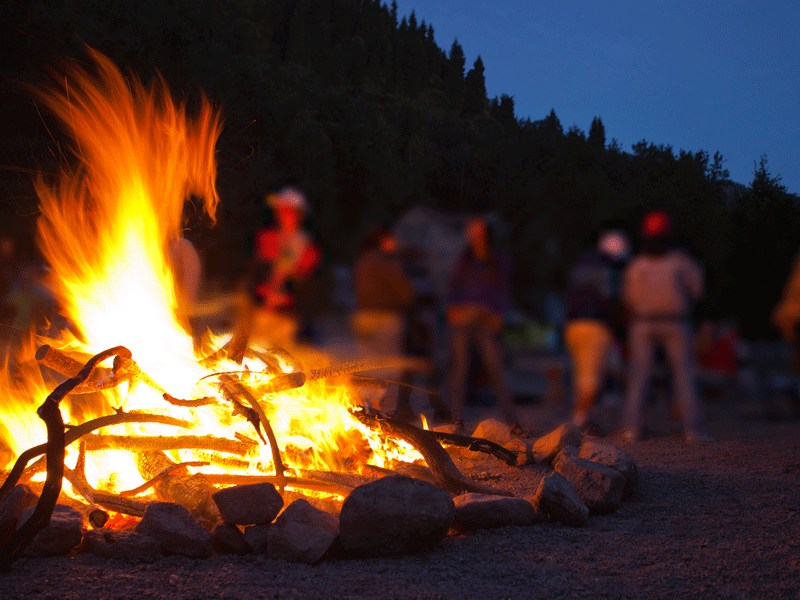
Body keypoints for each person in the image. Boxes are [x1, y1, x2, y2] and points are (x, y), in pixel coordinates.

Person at [622, 211, 714, 443]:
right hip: (676, 321)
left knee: (640, 376)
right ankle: (693, 432)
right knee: (684, 375)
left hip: (644, 323)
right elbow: (699, 291)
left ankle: (632, 430)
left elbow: (629, 298)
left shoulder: (637, 264)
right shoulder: (681, 261)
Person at [445, 216, 528, 437]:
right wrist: (452, 307)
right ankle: (458, 420)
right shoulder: (465, 259)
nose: (477, 236)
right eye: (473, 232)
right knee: (460, 368)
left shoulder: (499, 259)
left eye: (480, 232)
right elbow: (454, 286)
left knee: (495, 367)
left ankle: (513, 421)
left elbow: (503, 288)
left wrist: (499, 312)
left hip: (486, 316)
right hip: (463, 316)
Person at [564, 230, 629, 436]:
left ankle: (584, 418)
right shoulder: (606, 269)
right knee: (591, 379)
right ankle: (578, 422)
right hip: (595, 325)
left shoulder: (580, 266)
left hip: (573, 325)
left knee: (582, 375)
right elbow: (608, 300)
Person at [351, 225, 416, 416]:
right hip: (386, 317)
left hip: (363, 317)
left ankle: (367, 408)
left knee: (367, 365)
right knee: (389, 368)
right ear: (383, 241)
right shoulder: (390, 262)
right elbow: (405, 292)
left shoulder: (362, 261)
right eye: (392, 239)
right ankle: (385, 413)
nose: (396, 243)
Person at [248, 187, 320, 348]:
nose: (283, 214)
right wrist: (261, 292)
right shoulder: (267, 238)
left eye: (288, 211)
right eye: (280, 210)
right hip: (261, 313)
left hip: (288, 318)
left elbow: (308, 285)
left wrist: (288, 297)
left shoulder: (307, 246)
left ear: (299, 214)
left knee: (282, 357)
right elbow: (256, 273)